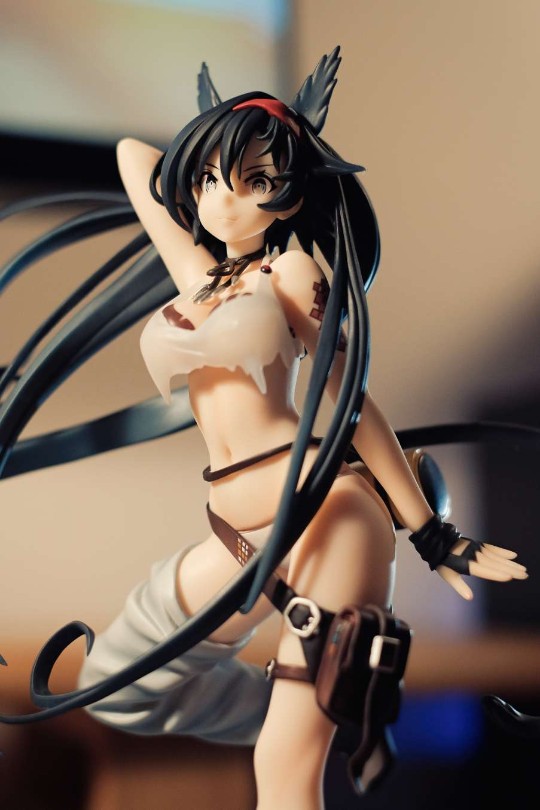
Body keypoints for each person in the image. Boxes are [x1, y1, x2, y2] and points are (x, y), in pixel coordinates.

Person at [0, 48, 528, 809]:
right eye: (211, 179)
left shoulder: (293, 275)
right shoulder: (199, 276)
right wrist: (226, 133)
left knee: (283, 775)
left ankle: (302, 717)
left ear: (289, 195)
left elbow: (353, 405)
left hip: (323, 515)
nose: (223, 201)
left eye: (254, 182)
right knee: (118, 685)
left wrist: (431, 534)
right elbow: (131, 156)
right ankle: (297, 708)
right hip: (236, 531)